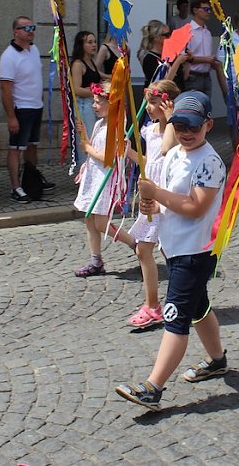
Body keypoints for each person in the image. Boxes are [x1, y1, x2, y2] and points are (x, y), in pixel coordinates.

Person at [115, 91, 227, 411]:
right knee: (199, 308)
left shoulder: (209, 162)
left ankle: (153, 387)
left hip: (195, 253)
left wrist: (158, 194)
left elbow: (195, 207)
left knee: (175, 318)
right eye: (179, 126)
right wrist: (149, 201)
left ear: (208, 124)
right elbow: (162, 201)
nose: (185, 132)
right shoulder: (175, 154)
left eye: (192, 126)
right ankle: (218, 360)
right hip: (174, 248)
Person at [125, 79, 181, 327]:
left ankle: (170, 301)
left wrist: (171, 120)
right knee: (143, 249)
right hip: (151, 196)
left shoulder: (178, 130)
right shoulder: (149, 130)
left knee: (170, 252)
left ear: (167, 104)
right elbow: (150, 162)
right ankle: (153, 304)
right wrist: (129, 153)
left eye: (154, 102)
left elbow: (173, 158)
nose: (148, 107)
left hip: (167, 197)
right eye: (147, 102)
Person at [72, 81, 135, 277]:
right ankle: (95, 261)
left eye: (98, 102)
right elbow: (93, 147)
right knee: (89, 220)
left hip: (105, 179)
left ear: (111, 104)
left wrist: (88, 149)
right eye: (94, 101)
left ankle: (135, 243)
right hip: (94, 176)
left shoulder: (116, 128)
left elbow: (111, 160)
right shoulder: (100, 124)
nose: (94, 105)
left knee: (101, 223)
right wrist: (83, 134)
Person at [0, 16, 54, 204]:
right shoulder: (9, 56)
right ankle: (15, 187)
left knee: (32, 146)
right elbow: (5, 89)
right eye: (26, 28)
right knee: (16, 148)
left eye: (33, 27)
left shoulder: (34, 49)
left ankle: (31, 180)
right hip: (21, 108)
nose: (31, 31)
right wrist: (11, 117)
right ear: (16, 32)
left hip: (35, 106)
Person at [137, 20, 188, 96]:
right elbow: (163, 84)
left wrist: (188, 61)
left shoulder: (170, 55)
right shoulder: (149, 58)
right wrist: (178, 62)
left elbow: (183, 77)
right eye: (167, 35)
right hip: (160, 100)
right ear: (157, 38)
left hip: (177, 96)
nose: (170, 37)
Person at [70, 31, 101, 141]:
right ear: (81, 45)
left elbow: (99, 77)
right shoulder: (78, 64)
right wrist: (98, 92)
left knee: (95, 138)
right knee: (87, 138)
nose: (94, 45)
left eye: (95, 42)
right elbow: (76, 89)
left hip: (94, 104)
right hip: (84, 105)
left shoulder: (91, 62)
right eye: (90, 42)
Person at [186, 0, 219, 99]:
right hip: (193, 76)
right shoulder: (188, 31)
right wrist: (206, 59)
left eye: (209, 10)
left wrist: (212, 61)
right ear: (195, 10)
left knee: (206, 108)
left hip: (206, 75)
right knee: (194, 107)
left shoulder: (207, 32)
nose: (208, 12)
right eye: (205, 9)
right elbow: (185, 57)